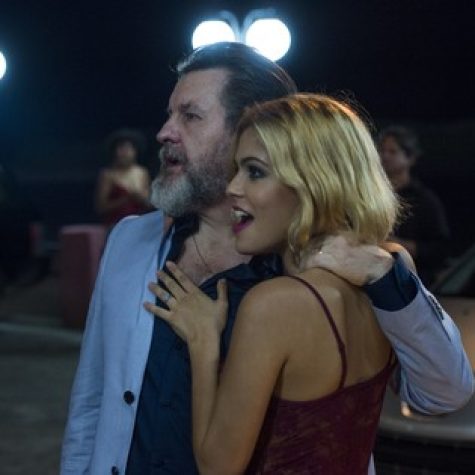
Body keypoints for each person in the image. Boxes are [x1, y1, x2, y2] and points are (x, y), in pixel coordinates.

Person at [60, 43, 473, 475]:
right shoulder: (131, 240)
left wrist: (385, 276)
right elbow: (91, 401)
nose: (165, 132)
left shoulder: (337, 271)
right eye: (169, 114)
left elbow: (443, 393)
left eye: (190, 115)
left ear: (251, 127)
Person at [145, 93, 402, 474]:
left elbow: (217, 466)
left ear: (314, 183)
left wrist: (203, 341)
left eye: (255, 172)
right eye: (237, 170)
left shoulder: (274, 305)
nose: (232, 187)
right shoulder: (388, 273)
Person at [378, 126, 451, 285]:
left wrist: (404, 246)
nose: (385, 156)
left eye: (392, 152)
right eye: (382, 151)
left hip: (414, 281)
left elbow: (441, 248)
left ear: (410, 158)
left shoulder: (424, 200)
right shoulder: (372, 195)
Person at [95, 128, 152, 228]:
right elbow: (101, 208)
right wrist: (125, 199)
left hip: (139, 224)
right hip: (115, 225)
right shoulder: (108, 174)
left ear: (135, 151)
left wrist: (139, 198)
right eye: (121, 148)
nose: (124, 153)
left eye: (128, 148)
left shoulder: (142, 173)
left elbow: (149, 204)